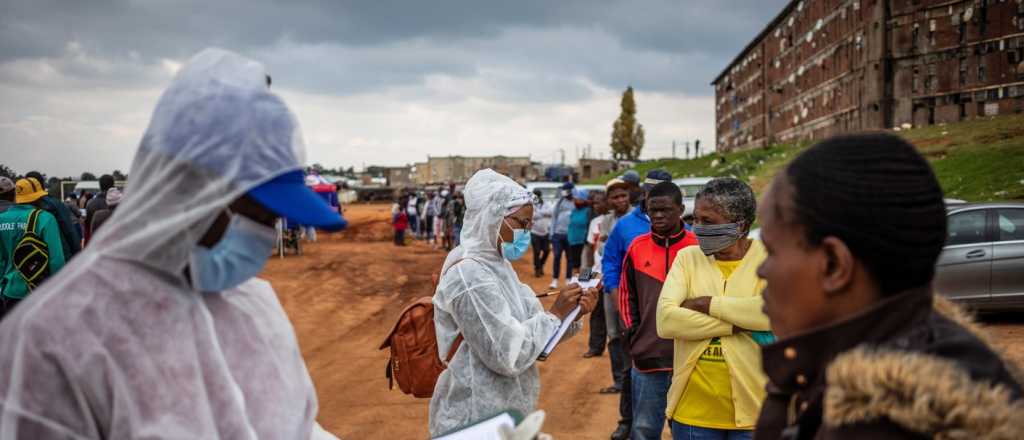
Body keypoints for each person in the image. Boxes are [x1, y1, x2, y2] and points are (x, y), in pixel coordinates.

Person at [0, 49, 346, 438]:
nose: (265, 236)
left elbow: (297, 429)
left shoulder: (254, 306)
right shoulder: (56, 339)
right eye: (260, 215)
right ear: (195, 195)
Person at [755, 134, 1024, 439]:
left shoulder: (872, 427)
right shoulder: (943, 351)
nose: (761, 270)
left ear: (833, 264)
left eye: (771, 251)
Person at [429, 168, 599, 436]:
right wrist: (555, 314)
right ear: (492, 218)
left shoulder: (499, 266)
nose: (526, 233)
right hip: (473, 419)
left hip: (507, 413)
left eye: (529, 225)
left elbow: (534, 330)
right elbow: (506, 354)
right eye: (521, 224)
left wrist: (572, 313)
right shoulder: (469, 274)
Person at [657, 177, 771, 440]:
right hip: (692, 413)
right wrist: (742, 322)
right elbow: (666, 321)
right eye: (694, 219)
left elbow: (776, 312)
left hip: (756, 411)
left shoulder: (770, 257)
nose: (696, 228)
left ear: (740, 224)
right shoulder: (688, 258)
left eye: (707, 222)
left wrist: (704, 304)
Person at [619, 182, 699, 439]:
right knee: (643, 429)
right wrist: (634, 334)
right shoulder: (637, 247)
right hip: (648, 356)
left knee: (688, 431)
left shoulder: (698, 247)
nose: (658, 216)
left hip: (690, 358)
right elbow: (626, 295)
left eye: (665, 210)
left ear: (681, 210)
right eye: (652, 210)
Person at [601, 169, 671, 440]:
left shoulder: (685, 230)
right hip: (633, 313)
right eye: (651, 189)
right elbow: (610, 264)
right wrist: (619, 304)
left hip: (670, 317)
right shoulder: (626, 226)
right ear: (643, 190)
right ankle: (626, 422)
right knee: (632, 370)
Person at [0, 178, 67, 318]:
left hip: (9, 291)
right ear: (37, 197)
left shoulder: (2, 219)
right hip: (38, 291)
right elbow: (57, 260)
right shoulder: (45, 218)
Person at [23, 172, 80, 258]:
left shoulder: (17, 207)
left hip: (26, 259)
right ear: (41, 184)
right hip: (56, 255)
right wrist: (77, 254)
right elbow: (69, 231)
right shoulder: (55, 204)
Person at [582, 190, 608, 359]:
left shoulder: (617, 221)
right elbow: (589, 251)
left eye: (599, 202)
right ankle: (595, 347)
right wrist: (586, 276)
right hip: (598, 276)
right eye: (594, 203)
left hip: (614, 275)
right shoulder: (594, 222)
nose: (596, 206)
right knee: (597, 313)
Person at [548, 182, 575, 289]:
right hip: (558, 235)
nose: (563, 192)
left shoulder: (576, 202)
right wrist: (552, 233)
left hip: (571, 236)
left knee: (570, 258)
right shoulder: (560, 202)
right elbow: (554, 218)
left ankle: (568, 279)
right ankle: (555, 280)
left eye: (565, 190)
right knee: (557, 256)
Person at [83, 174, 115, 245]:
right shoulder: (119, 204)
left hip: (96, 244)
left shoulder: (90, 204)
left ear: (100, 186)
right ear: (113, 186)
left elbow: (87, 229)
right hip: (114, 244)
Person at [567, 188, 590, 277]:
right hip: (573, 242)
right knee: (575, 265)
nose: (575, 201)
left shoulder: (588, 211)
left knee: (585, 265)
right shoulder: (574, 211)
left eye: (578, 199)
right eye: (575, 199)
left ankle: (585, 285)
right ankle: (575, 284)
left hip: (584, 242)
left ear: (584, 200)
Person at [530, 188, 552, 278]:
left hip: (545, 232)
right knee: (537, 252)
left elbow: (550, 212)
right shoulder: (531, 205)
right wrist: (543, 214)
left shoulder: (546, 204)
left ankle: (540, 265)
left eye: (537, 195)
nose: (536, 197)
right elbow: (532, 215)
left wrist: (539, 213)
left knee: (547, 251)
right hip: (534, 232)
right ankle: (537, 269)